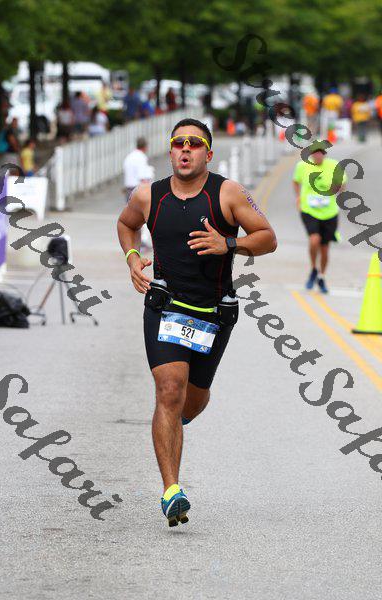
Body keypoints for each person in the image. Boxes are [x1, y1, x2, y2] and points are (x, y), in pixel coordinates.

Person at [117, 118, 277, 527]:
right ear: (170, 150)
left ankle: (177, 419)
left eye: (194, 143)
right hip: (165, 307)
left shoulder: (228, 193)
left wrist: (229, 243)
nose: (185, 149)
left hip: (214, 313)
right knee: (169, 390)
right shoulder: (148, 195)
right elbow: (126, 224)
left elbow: (267, 237)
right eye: (178, 143)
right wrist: (133, 258)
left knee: (193, 400)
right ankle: (172, 490)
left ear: (208, 153)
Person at [293, 143, 347, 293]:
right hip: (309, 210)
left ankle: (321, 276)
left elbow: (342, 184)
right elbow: (296, 181)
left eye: (320, 153)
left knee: (324, 248)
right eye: (315, 153)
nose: (318, 156)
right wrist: (298, 197)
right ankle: (313, 269)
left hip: (329, 212)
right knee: (314, 239)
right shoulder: (302, 166)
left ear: (324, 154)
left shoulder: (334, 165)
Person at [122, 137, 150, 202]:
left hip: (128, 189)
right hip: (137, 189)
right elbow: (142, 177)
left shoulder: (129, 156)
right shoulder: (142, 157)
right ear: (145, 147)